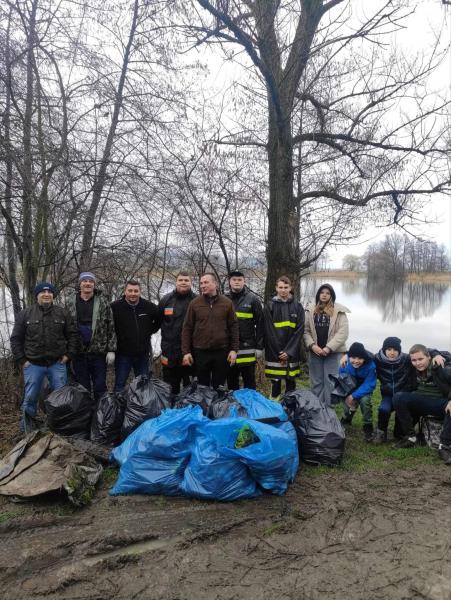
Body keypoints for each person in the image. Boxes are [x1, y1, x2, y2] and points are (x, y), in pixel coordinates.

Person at [10, 282, 78, 432]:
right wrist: (22, 360)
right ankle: (26, 429)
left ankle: (60, 428)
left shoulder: (62, 313)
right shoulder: (25, 314)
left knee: (61, 398)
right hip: (33, 364)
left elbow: (73, 336)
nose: (46, 294)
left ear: (53, 295)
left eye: (49, 292)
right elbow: (16, 338)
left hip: (57, 364)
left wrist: (68, 355)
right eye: (43, 292)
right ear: (37, 295)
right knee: (30, 398)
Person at [181, 272, 239, 389]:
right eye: (201, 283)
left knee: (219, 387)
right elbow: (187, 328)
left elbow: (234, 327)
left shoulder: (227, 303)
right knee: (202, 387)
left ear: (215, 284)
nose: (202, 285)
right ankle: (204, 407)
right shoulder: (195, 303)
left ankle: (218, 406)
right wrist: (186, 352)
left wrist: (234, 350)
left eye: (206, 282)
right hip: (200, 352)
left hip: (221, 352)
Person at [393, 344, 451, 459]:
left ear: (428, 357)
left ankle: (444, 446)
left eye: (420, 359)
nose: (417, 363)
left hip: (441, 403)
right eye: (414, 360)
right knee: (398, 397)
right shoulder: (412, 368)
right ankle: (410, 437)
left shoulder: (440, 366)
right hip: (423, 401)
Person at [66, 272, 116, 400]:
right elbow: (64, 327)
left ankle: (101, 415)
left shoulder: (103, 302)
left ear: (94, 284)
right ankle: (86, 416)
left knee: (100, 386)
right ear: (80, 284)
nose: (87, 283)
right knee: (83, 387)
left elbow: (110, 325)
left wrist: (111, 349)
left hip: (98, 352)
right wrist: (66, 349)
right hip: (78, 352)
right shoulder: (70, 301)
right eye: (85, 281)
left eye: (90, 281)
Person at [304, 283, 349, 405]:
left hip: (333, 353)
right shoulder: (310, 310)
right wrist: (313, 346)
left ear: (331, 296)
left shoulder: (339, 311)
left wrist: (329, 348)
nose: (324, 295)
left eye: (327, 293)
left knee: (330, 382)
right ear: (318, 294)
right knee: (316, 382)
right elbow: (305, 331)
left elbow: (343, 332)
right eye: (322, 292)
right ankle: (317, 410)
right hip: (315, 352)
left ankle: (328, 411)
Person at [111, 280, 160, 391]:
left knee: (143, 385)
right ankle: (118, 406)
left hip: (142, 354)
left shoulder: (149, 306)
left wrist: (149, 331)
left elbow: (159, 320)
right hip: (122, 354)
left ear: (139, 292)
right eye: (130, 291)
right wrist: (110, 349)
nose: (133, 293)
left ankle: (141, 406)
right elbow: (108, 328)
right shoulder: (115, 307)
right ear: (125, 291)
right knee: (119, 383)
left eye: (136, 291)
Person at [263, 275, 304, 400]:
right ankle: (274, 410)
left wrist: (288, 352)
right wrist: (280, 352)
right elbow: (269, 332)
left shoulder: (298, 306)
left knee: (291, 383)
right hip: (275, 353)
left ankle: (289, 409)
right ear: (276, 288)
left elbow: (299, 331)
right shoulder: (270, 306)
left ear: (290, 288)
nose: (283, 290)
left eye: (286, 287)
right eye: (280, 287)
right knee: (275, 384)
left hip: (292, 353)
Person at [159, 272, 197, 394]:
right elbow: (157, 322)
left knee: (189, 389)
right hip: (168, 352)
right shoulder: (166, 300)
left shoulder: (196, 301)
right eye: (180, 280)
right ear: (176, 282)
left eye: (186, 280)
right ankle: (170, 411)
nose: (183, 282)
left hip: (190, 353)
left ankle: (188, 410)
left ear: (191, 283)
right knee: (169, 388)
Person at [225, 270, 264, 390]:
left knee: (249, 382)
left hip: (248, 347)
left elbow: (261, 323)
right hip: (229, 348)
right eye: (234, 280)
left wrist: (259, 346)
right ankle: (233, 406)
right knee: (231, 381)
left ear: (244, 282)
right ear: (229, 282)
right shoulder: (223, 299)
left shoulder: (253, 299)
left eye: (239, 280)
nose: (237, 282)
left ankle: (250, 405)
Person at [339, 341, 377, 442]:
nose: (356, 361)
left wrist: (353, 396)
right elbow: (341, 378)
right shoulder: (344, 362)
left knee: (365, 402)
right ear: (348, 357)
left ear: (364, 358)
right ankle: (347, 418)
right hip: (350, 387)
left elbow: (370, 384)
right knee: (347, 404)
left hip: (364, 389)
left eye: (360, 358)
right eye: (353, 358)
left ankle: (368, 427)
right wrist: (347, 394)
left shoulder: (371, 366)